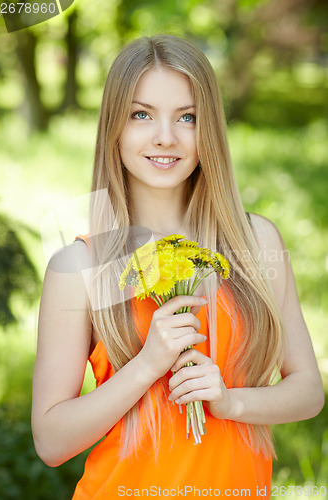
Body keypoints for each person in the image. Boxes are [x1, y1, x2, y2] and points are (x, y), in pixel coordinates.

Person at [31, 35, 324, 499]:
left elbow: (308, 392)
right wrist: (148, 364)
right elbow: (50, 441)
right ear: (115, 128)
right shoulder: (80, 267)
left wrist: (230, 402)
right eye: (141, 114)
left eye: (187, 117)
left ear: (209, 129)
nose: (165, 136)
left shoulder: (256, 243)